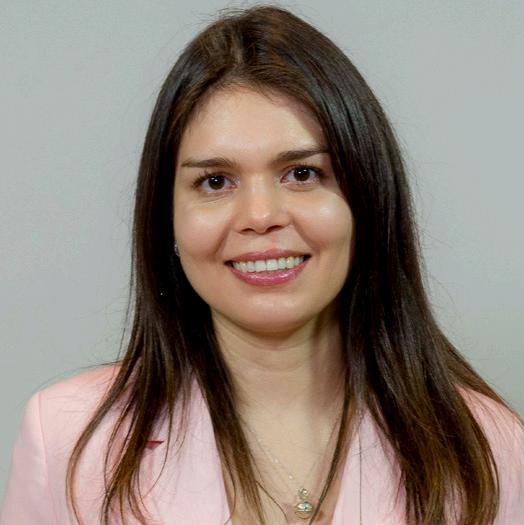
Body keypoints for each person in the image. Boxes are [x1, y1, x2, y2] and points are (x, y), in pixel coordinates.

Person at [1, 5, 523, 525]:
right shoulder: (67, 437)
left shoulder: (488, 449)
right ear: (167, 219)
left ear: (368, 199)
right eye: (215, 182)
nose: (260, 216)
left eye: (302, 173)